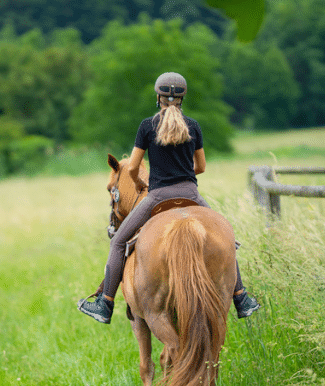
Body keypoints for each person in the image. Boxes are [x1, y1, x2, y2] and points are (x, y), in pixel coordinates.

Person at [77, 72, 260, 324]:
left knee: (118, 242)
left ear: (158, 97)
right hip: (191, 194)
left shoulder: (146, 126)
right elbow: (202, 167)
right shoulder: (193, 126)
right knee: (227, 237)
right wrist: (183, 174)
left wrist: (144, 183)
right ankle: (241, 297)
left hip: (158, 195)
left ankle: (105, 303)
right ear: (182, 99)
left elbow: (131, 168)